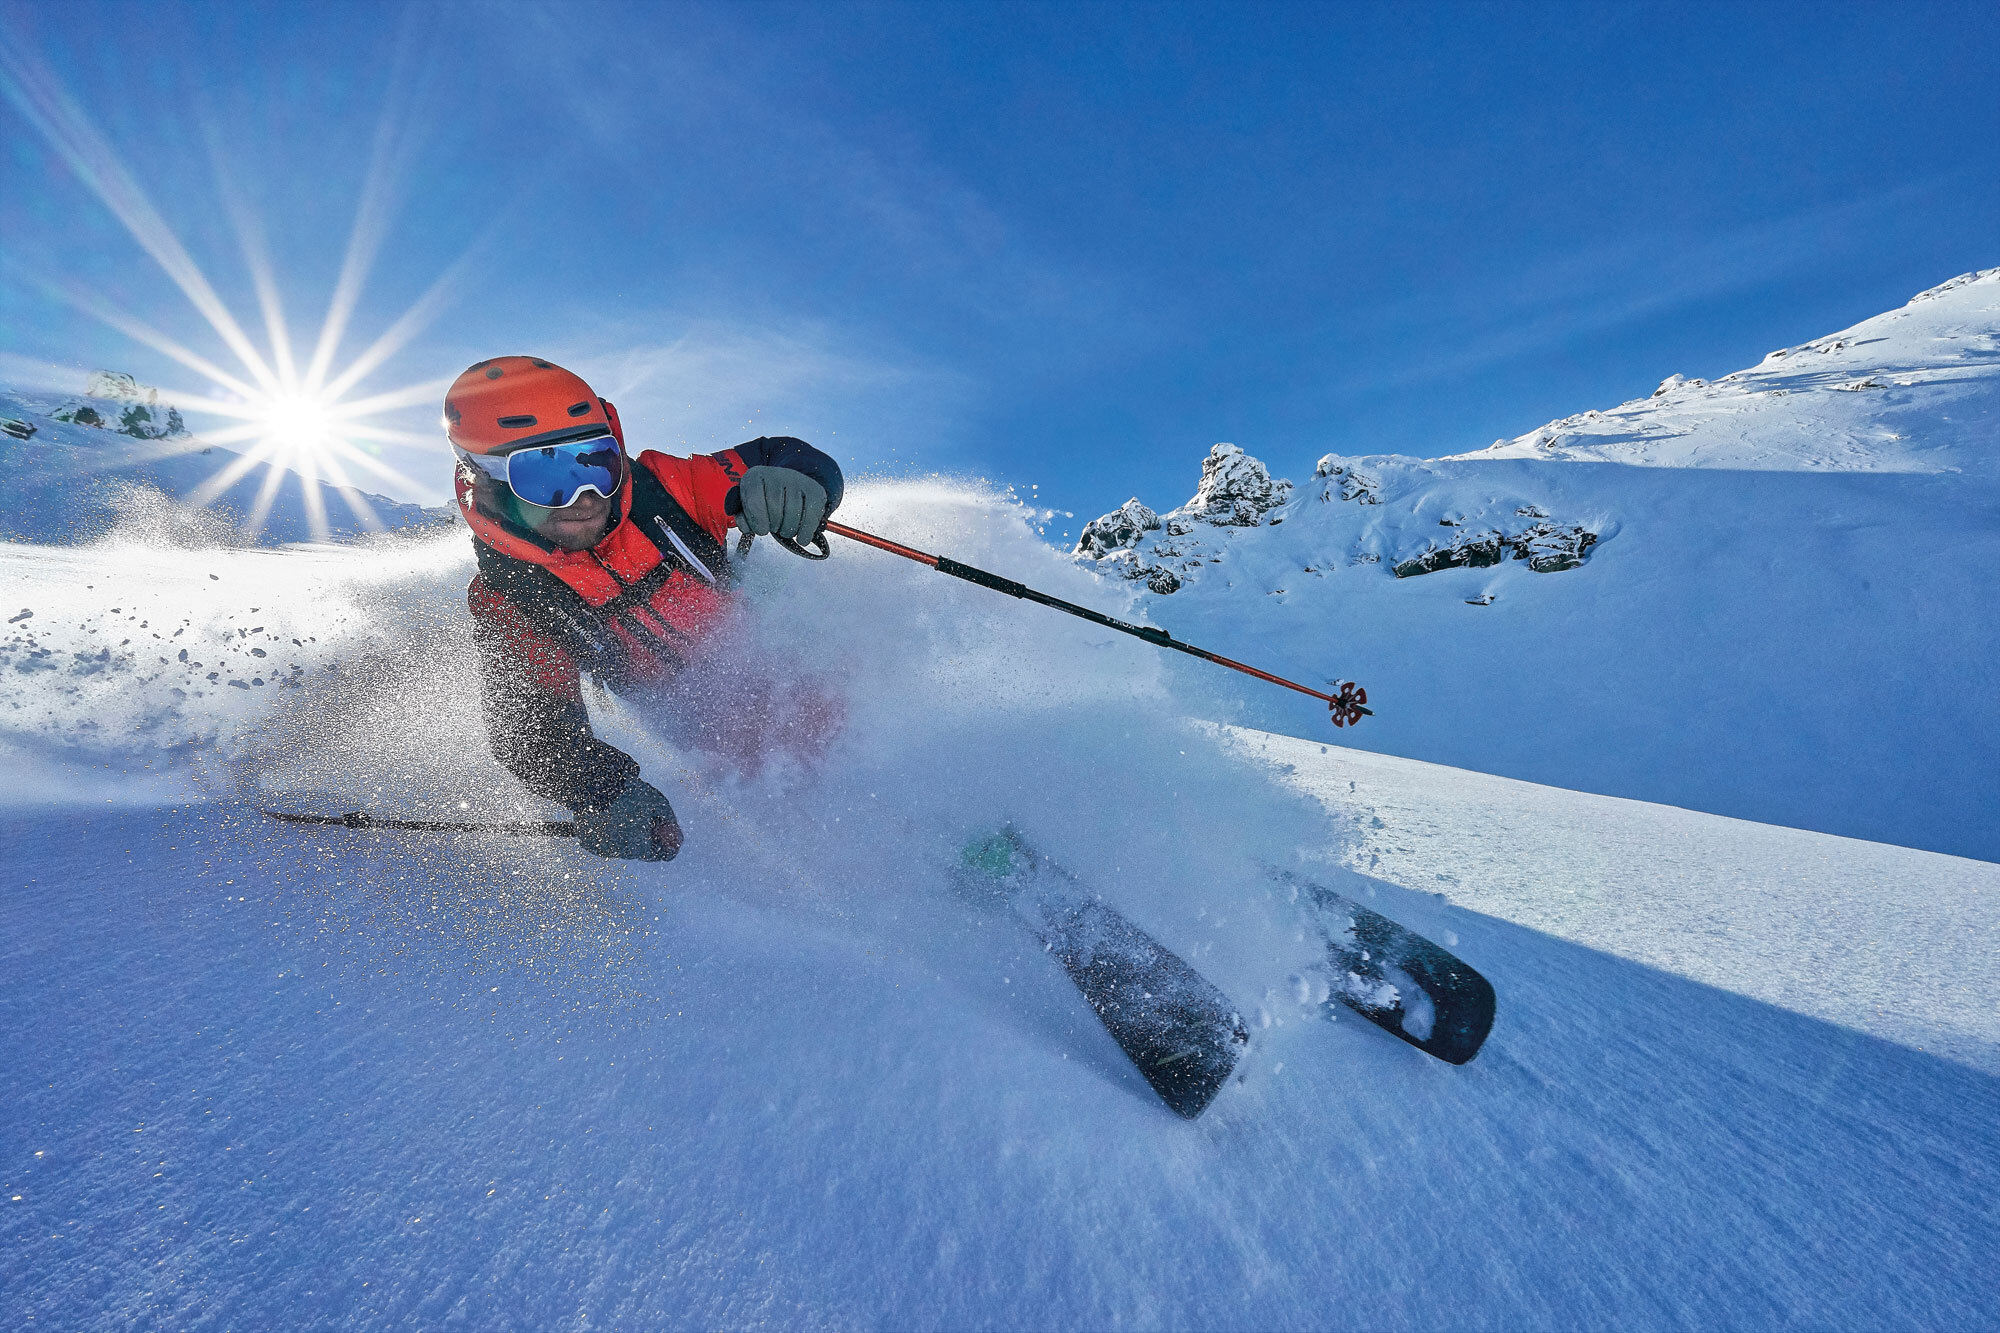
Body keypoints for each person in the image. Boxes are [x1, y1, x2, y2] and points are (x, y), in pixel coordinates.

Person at [445, 355, 843, 862]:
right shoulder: (514, 596)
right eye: (545, 475)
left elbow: (779, 455)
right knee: (792, 805)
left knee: (845, 726)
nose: (585, 496)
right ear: (487, 481)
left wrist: (802, 482)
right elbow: (530, 724)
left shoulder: (666, 488)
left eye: (596, 461)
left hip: (777, 668)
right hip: (695, 728)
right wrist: (600, 791)